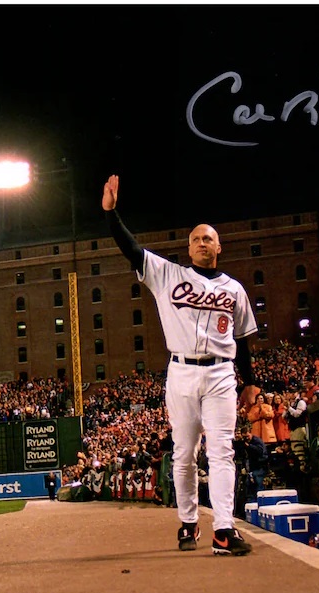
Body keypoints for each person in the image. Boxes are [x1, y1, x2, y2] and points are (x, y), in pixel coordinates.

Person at [103, 174, 258, 556]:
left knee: (222, 451)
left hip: (221, 373)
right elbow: (131, 249)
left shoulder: (234, 289)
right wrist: (111, 214)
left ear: (219, 246)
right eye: (196, 239)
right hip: (182, 371)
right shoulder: (169, 275)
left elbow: (242, 339)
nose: (202, 243)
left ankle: (224, 529)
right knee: (184, 453)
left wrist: (250, 381)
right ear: (188, 249)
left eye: (208, 238)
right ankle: (188, 522)